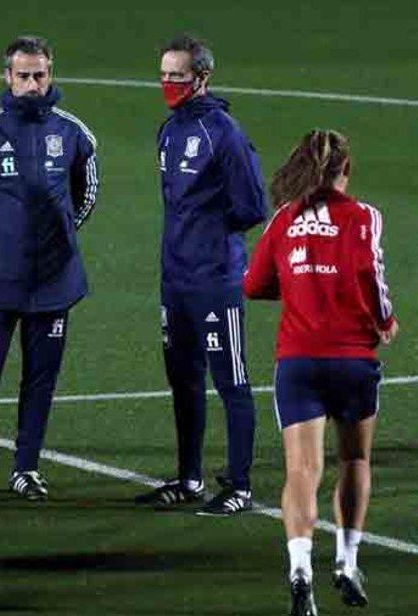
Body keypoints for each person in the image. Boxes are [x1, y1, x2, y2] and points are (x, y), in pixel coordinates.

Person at [0, 35, 99, 501]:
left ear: (51, 75)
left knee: (41, 377)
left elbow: (85, 195)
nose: (32, 83)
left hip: (54, 279)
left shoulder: (74, 134)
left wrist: (59, 238)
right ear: (7, 77)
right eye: (23, 75)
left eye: (40, 75)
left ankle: (26, 469)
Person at [245, 129, 397, 616]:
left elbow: (253, 284)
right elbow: (372, 279)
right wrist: (385, 321)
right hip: (353, 361)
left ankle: (299, 570)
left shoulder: (284, 219)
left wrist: (297, 288)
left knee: (301, 472)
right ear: (345, 171)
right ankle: (348, 563)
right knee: (354, 459)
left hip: (299, 362)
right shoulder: (363, 217)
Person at [135, 34, 268, 515]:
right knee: (183, 379)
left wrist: (211, 237)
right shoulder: (168, 132)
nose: (169, 83)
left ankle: (240, 485)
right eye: (165, 75)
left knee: (231, 380)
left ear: (203, 78)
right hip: (175, 280)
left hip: (214, 278)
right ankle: (189, 478)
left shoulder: (224, 132)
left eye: (179, 76)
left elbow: (253, 205)